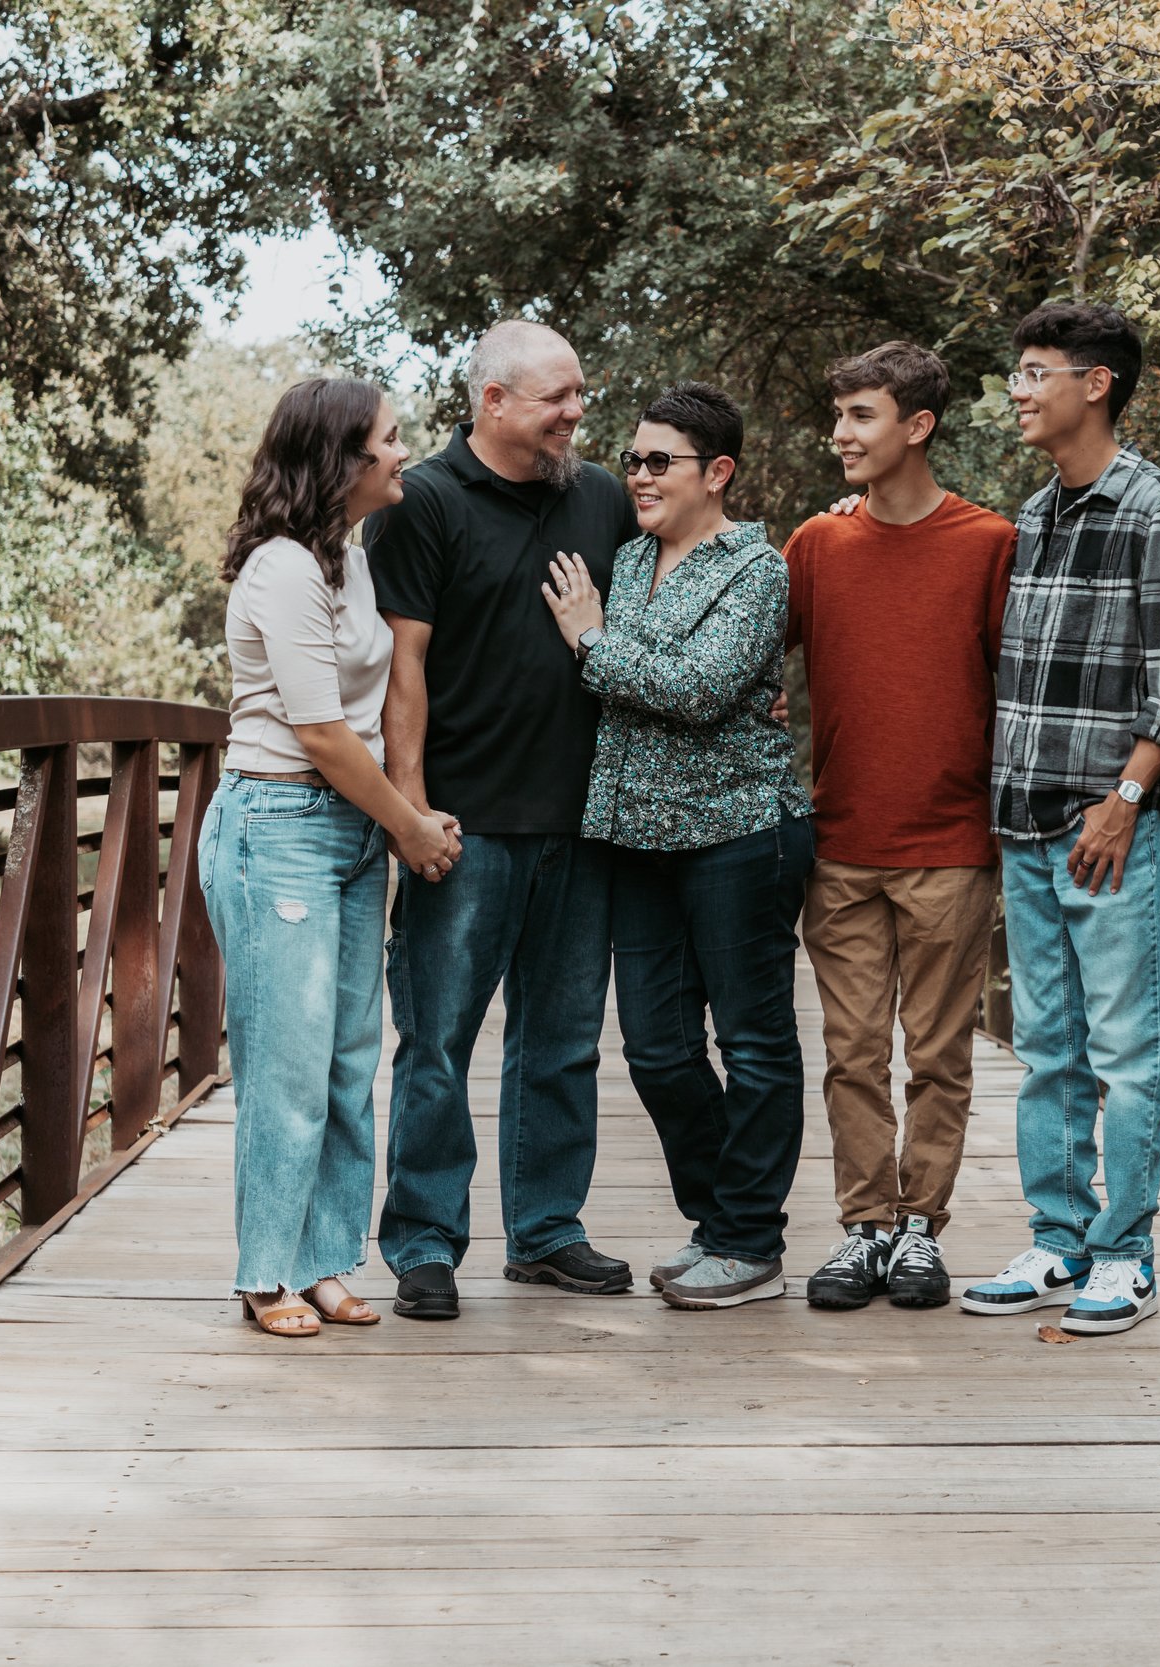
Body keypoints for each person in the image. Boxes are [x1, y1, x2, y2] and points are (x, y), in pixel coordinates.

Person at [956, 302, 1160, 1338]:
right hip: (1024, 821)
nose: (1017, 390)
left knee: (1128, 1045)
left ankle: (1126, 1253)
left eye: (1033, 372)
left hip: (1107, 824)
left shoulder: (1156, 511)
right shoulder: (1034, 514)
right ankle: (1058, 1237)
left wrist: (1125, 801)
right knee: (1048, 1044)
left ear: (1094, 383)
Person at [367, 321, 640, 1320]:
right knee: (436, 1040)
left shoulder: (601, 494)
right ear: (492, 400)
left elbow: (686, 564)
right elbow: (404, 666)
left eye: (578, 396)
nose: (575, 413)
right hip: (463, 826)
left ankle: (546, 1230)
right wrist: (408, 809)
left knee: (563, 1040)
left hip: (580, 822)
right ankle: (425, 1242)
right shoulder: (423, 502)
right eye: (556, 398)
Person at [538, 382, 814, 1310]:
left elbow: (698, 689)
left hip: (741, 833)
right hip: (637, 839)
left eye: (662, 461)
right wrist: (604, 642)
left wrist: (591, 644)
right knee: (656, 1051)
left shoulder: (756, 568)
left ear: (719, 472)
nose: (642, 475)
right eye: (635, 460)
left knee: (755, 1044)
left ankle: (748, 1240)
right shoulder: (623, 559)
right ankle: (720, 1223)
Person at [201, 377, 464, 1338]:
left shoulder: (346, 558)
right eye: (391, 441)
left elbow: (377, 700)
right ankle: (263, 1271)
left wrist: (403, 816)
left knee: (350, 1060)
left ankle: (322, 1260)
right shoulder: (280, 568)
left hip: (349, 834)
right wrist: (414, 826)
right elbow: (318, 731)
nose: (405, 453)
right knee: (287, 1065)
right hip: (278, 831)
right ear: (343, 461)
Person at [783, 343, 1015, 1312]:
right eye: (837, 415)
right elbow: (758, 670)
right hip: (839, 840)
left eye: (861, 415)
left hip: (951, 844)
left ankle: (921, 1228)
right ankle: (862, 1227)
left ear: (916, 426)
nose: (841, 433)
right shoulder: (816, 544)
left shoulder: (988, 542)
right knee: (848, 1049)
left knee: (937, 1052)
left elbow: (1022, 692)